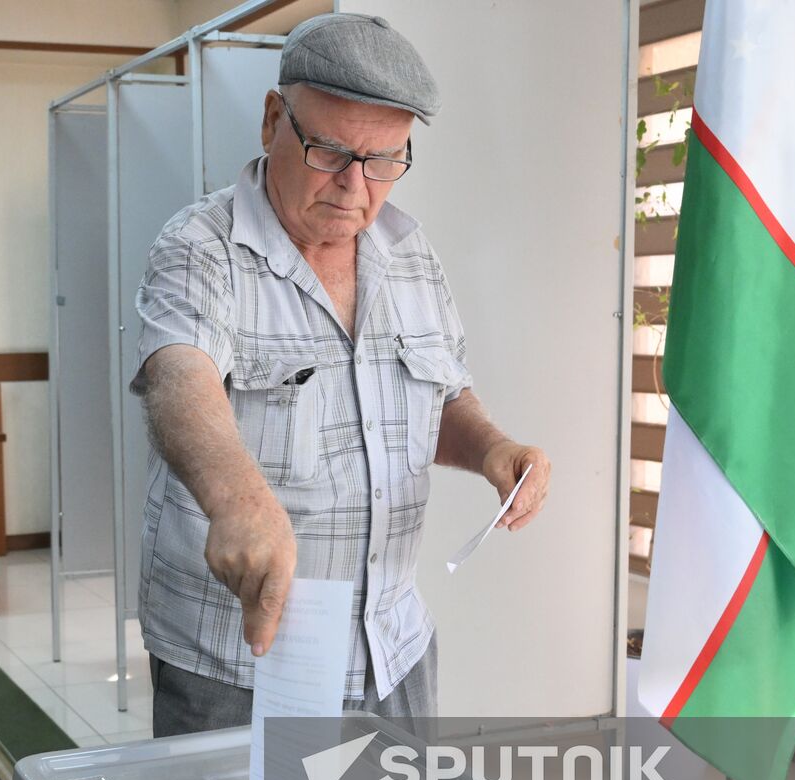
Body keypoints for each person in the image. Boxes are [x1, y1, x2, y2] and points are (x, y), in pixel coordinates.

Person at [130, 13, 552, 737]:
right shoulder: (201, 248)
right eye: (329, 151)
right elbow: (178, 377)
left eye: (386, 159)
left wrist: (490, 446)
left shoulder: (409, 253)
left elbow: (439, 395)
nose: (356, 186)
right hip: (242, 662)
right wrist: (237, 498)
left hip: (391, 652)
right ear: (273, 121)